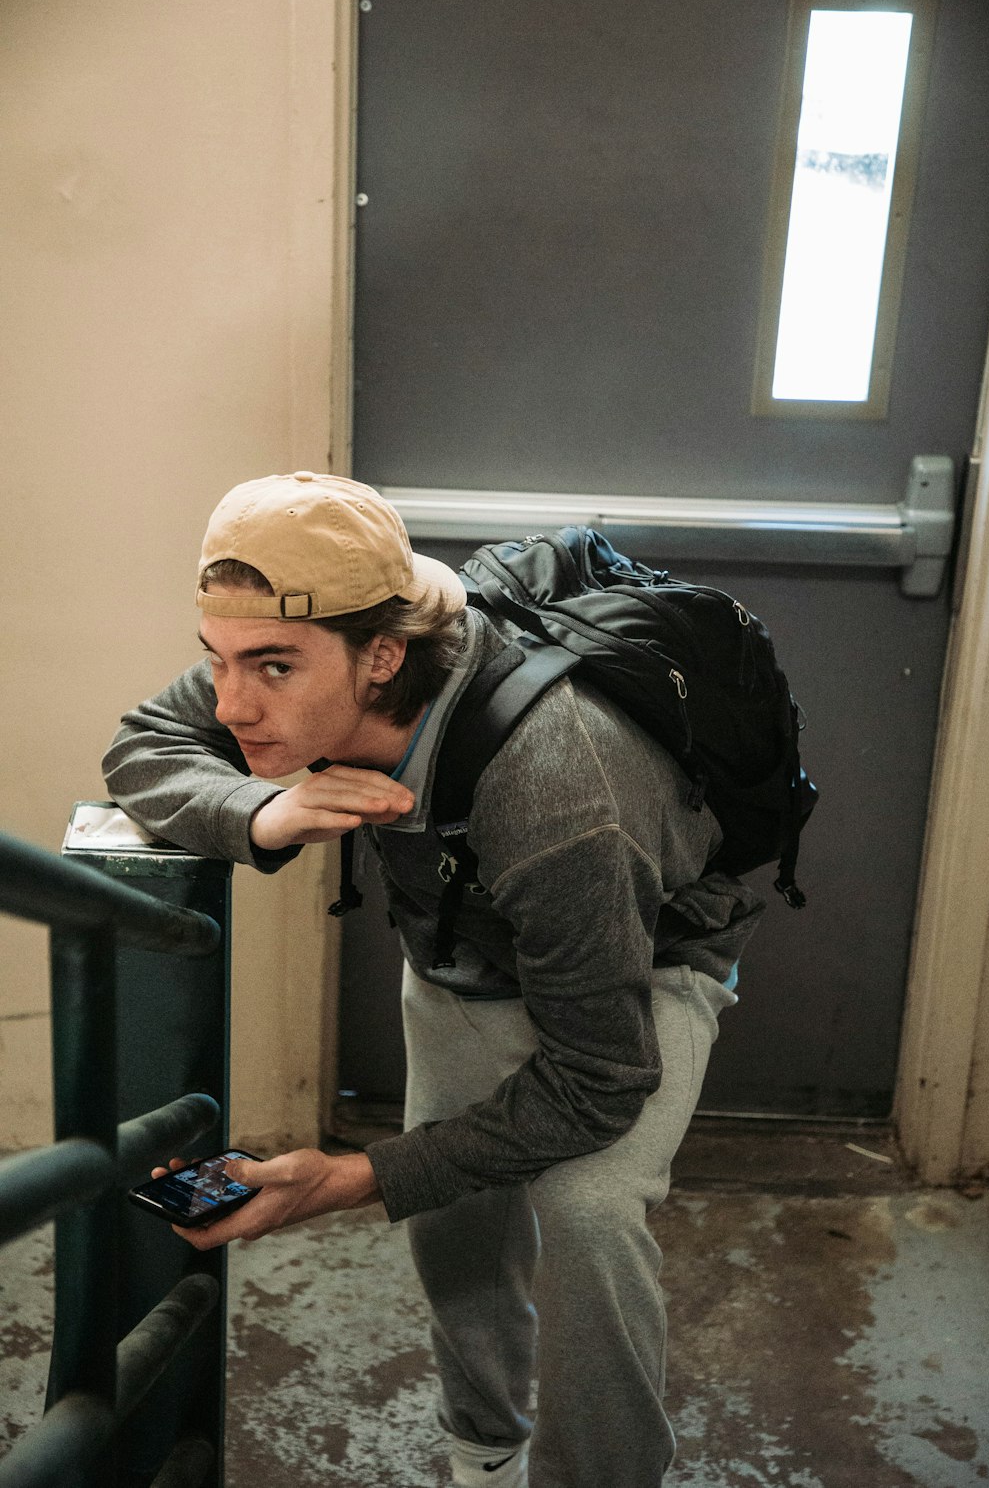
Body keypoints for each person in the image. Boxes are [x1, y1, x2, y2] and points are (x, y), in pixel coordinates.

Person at [103, 471, 763, 1488]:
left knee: (587, 1218)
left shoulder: (556, 784)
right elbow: (144, 741)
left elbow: (599, 1078)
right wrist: (260, 815)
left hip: (643, 961)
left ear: (382, 654)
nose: (232, 704)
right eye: (218, 663)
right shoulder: (300, 642)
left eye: (270, 668)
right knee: (453, 1211)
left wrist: (346, 1178)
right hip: (467, 955)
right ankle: (484, 1451)